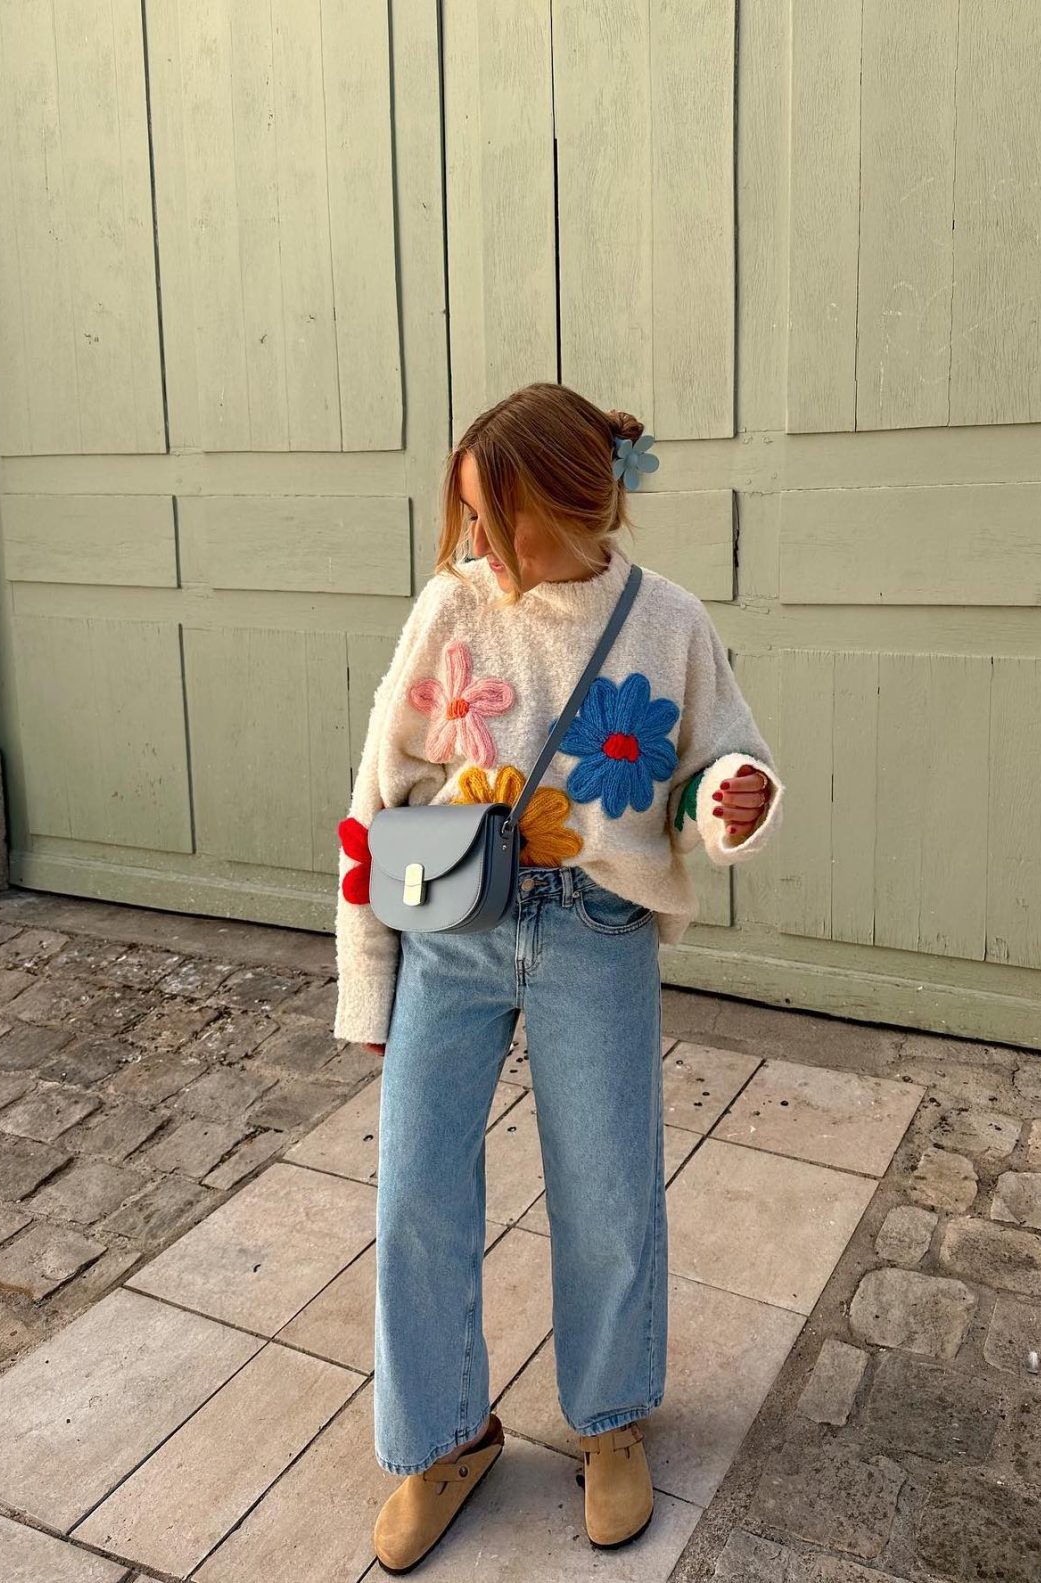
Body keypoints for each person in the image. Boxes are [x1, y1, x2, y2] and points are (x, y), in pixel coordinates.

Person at [333, 381, 784, 1573]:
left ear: (569, 502)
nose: (475, 541)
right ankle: (441, 1434)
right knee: (416, 1191)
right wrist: (368, 982)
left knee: (608, 1186)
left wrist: (733, 798)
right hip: (453, 931)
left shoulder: (669, 622)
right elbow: (376, 796)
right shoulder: (449, 611)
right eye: (467, 518)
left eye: (495, 516)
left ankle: (611, 1416)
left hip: (598, 930)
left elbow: (715, 765)